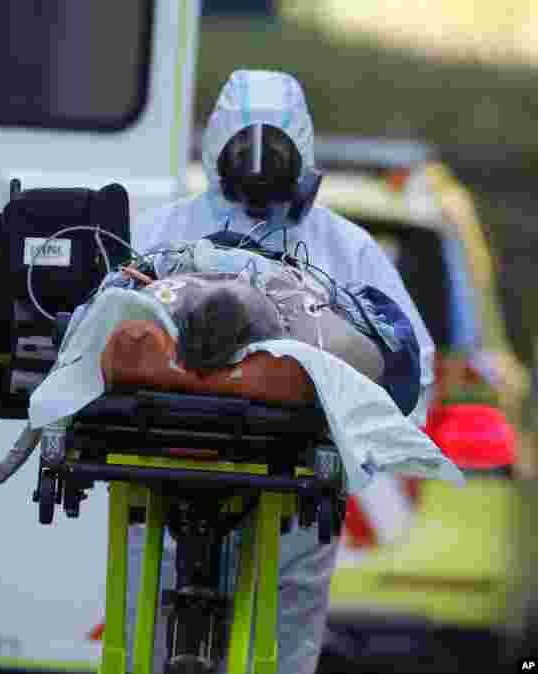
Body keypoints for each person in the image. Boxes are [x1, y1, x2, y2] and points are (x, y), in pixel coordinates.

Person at [128, 70, 436, 674]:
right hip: (170, 472)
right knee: (159, 632)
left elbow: (409, 360)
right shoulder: (167, 233)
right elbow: (104, 319)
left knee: (279, 635)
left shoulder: (341, 247)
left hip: (289, 484)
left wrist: (366, 447)